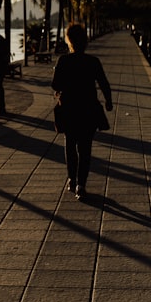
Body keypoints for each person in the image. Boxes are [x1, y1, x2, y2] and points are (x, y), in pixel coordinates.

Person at [50, 24, 113, 201]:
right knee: (85, 148)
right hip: (88, 109)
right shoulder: (93, 61)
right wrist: (108, 101)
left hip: (69, 108)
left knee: (70, 145)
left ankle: (71, 179)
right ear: (85, 41)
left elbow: (55, 84)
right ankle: (81, 185)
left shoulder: (64, 61)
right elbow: (104, 83)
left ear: (69, 41)